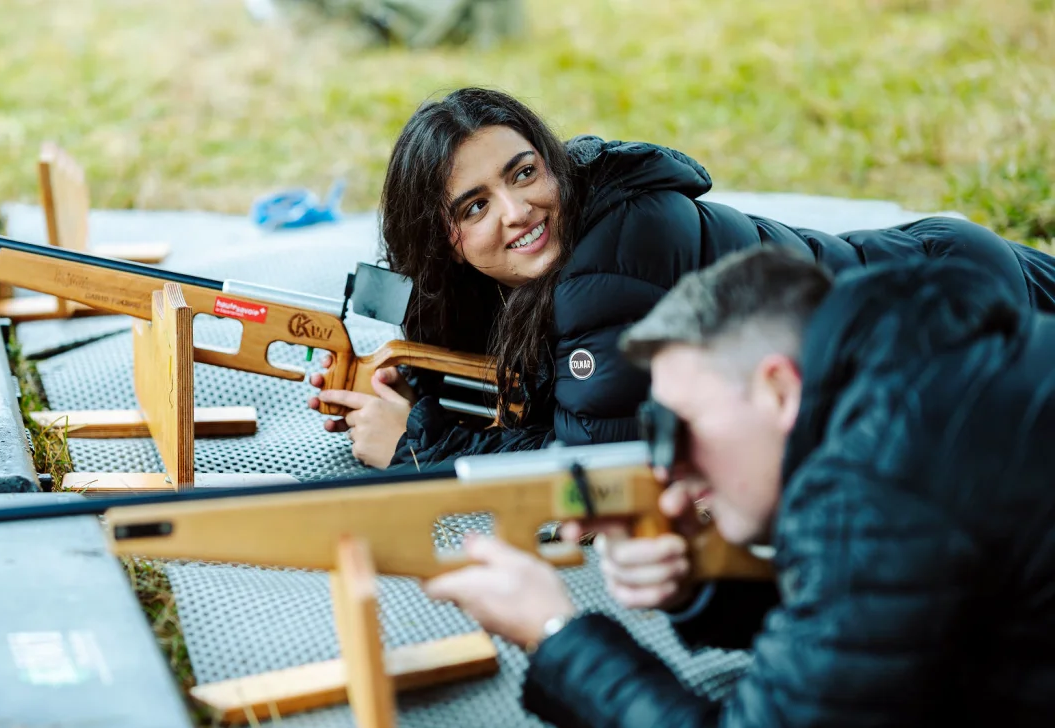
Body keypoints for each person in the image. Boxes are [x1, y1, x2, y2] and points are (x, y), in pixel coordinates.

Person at [420, 246, 1055, 728]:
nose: (672, 467)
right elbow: (898, 609)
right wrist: (704, 585)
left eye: (684, 425)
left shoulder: (880, 475)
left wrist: (556, 632)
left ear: (778, 389)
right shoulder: (928, 367)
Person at [308, 87, 1055, 470]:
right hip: (924, 270)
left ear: (550, 157)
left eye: (525, 172)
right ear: (443, 239)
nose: (518, 210)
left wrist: (422, 444)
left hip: (944, 317)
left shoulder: (611, 257)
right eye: (475, 205)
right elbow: (533, 394)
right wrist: (406, 386)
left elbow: (598, 466)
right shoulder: (528, 270)